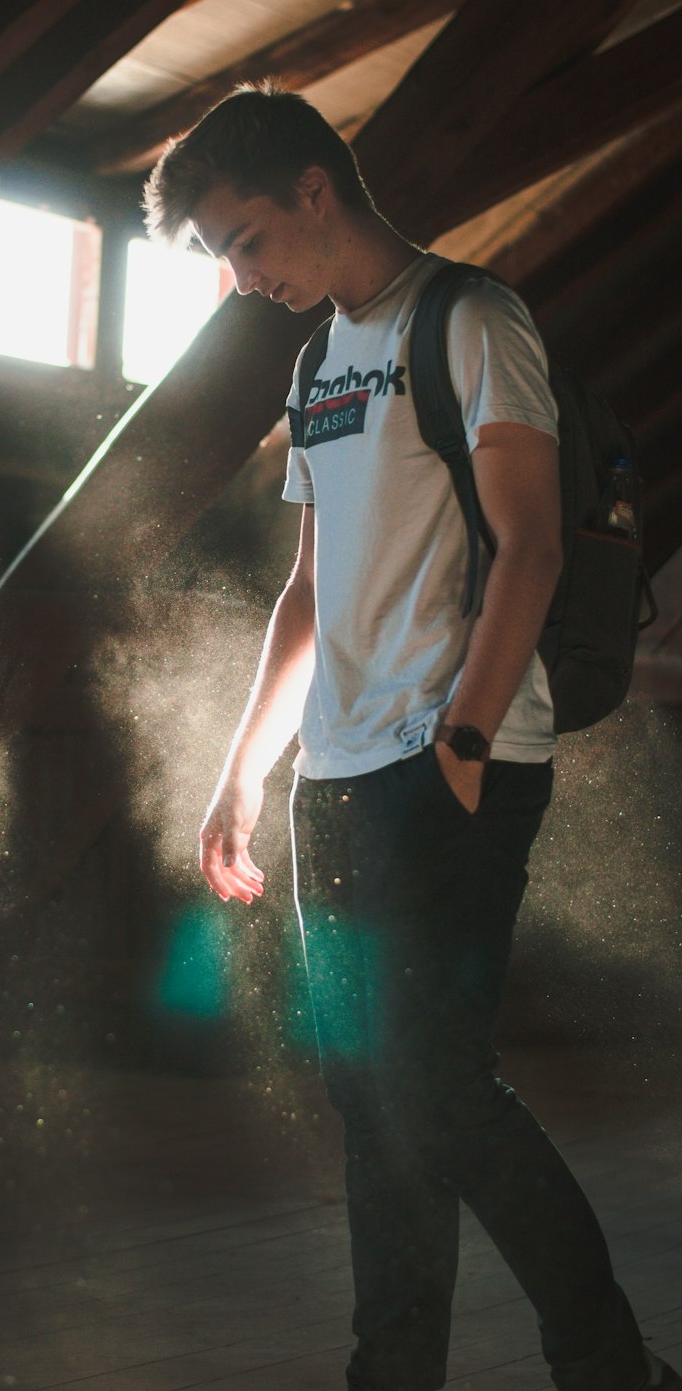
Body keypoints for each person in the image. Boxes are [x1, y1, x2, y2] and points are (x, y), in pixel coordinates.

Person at [142, 84, 679, 1391]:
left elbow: (535, 540)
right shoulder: (320, 365)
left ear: (316, 190)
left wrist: (470, 743)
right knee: (375, 1110)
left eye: (247, 238)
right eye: (222, 254)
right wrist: (242, 773)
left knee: (433, 1093)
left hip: (453, 764)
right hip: (335, 781)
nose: (240, 273)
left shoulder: (473, 319)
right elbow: (311, 591)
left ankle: (610, 1368)